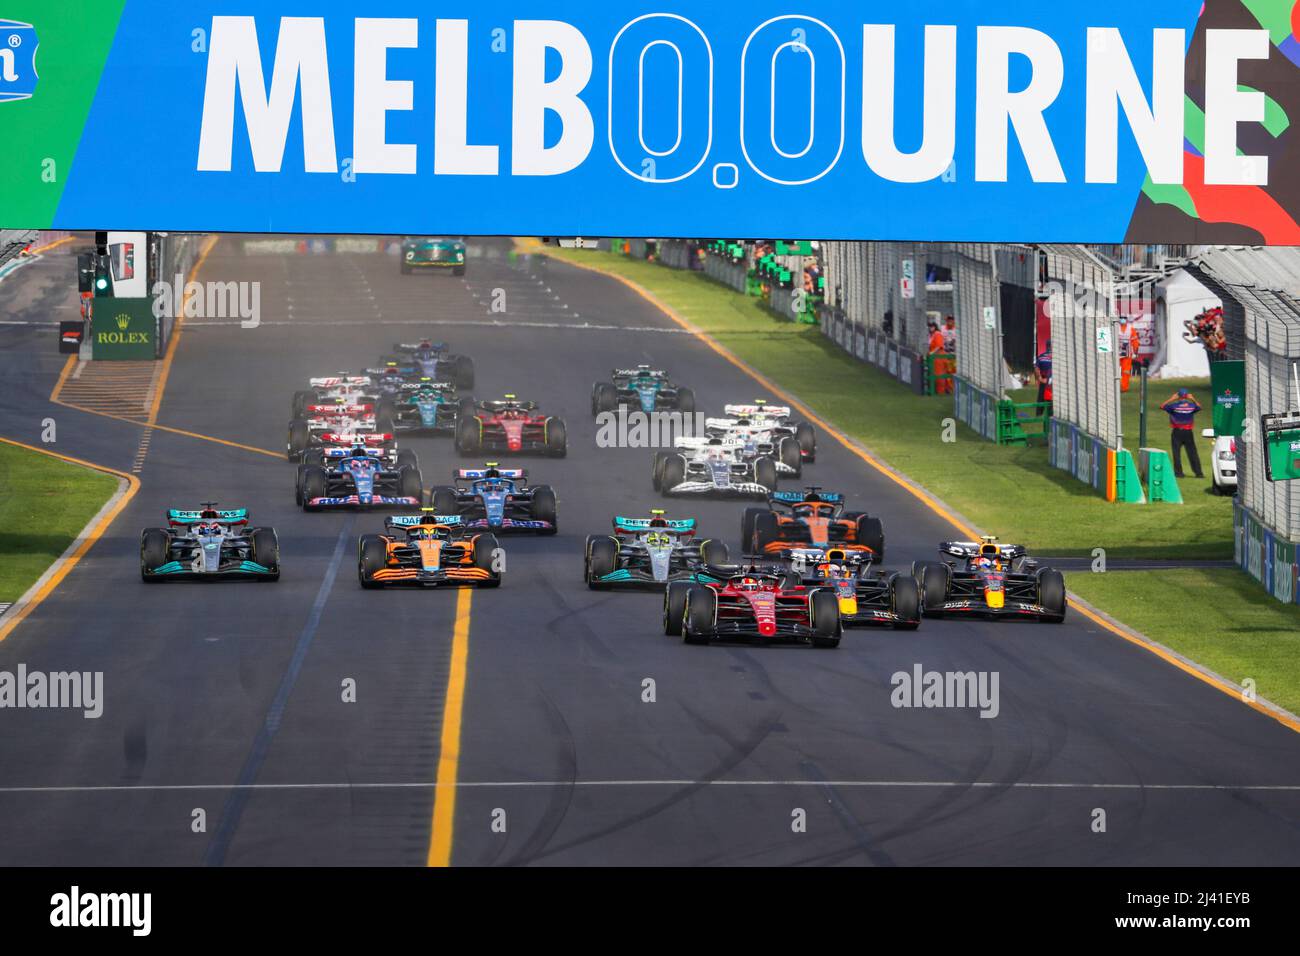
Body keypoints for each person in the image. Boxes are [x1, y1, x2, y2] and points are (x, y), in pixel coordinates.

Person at [1160, 388, 1204, 479]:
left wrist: (1171, 399)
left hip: (1177, 432)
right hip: (1188, 432)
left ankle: (1179, 473)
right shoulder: (1191, 406)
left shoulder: (1174, 406)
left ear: (1178, 396)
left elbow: (1162, 406)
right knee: (1192, 453)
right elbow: (1200, 407)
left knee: (1176, 453)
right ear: (1187, 396)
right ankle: (1199, 473)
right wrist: (1193, 399)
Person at [1035, 340, 1053, 407]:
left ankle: (1039, 414)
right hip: (1054, 382)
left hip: (1044, 380)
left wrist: (1040, 378)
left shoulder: (1041, 356)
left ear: (1046, 346)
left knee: (1040, 401)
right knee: (1053, 401)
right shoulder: (1057, 357)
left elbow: (1036, 369)